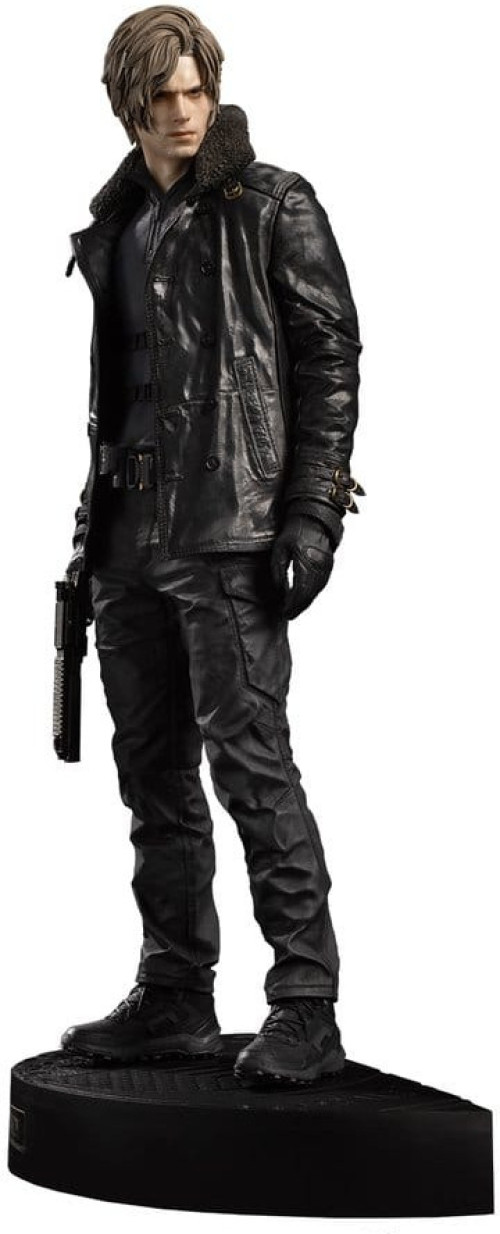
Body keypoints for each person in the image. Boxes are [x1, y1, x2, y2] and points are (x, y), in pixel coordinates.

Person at [60, 5, 364, 1086]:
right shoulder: (115, 225)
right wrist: (89, 540)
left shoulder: (269, 203)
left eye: (196, 90)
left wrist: (312, 514)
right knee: (151, 780)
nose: (185, 112)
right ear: (128, 106)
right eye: (163, 96)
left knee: (253, 768)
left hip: (229, 531)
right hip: (125, 540)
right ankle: (177, 994)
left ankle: (306, 1003)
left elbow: (329, 363)